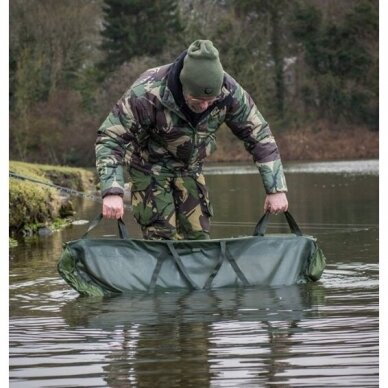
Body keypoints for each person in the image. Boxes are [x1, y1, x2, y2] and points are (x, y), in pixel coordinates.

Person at [95, 39, 288, 240]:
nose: (205, 106)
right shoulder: (146, 93)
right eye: (197, 100)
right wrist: (111, 191)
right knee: (162, 237)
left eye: (210, 101)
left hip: (190, 168)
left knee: (197, 237)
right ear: (183, 85)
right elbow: (109, 138)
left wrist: (276, 189)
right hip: (149, 167)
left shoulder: (229, 92)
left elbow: (260, 136)